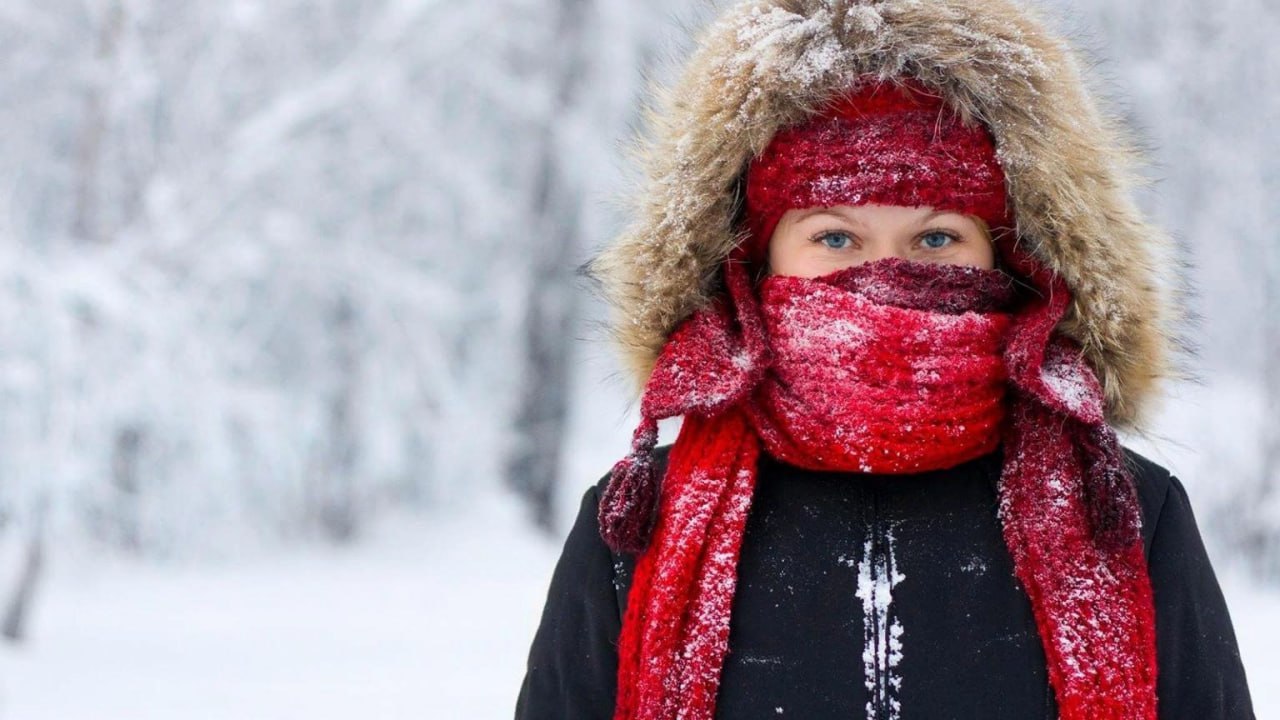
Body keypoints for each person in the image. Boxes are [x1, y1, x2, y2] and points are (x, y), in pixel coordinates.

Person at [515, 0, 1256, 718]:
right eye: (835, 237)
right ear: (754, 262)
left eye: (936, 238)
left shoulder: (1124, 513)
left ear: (1007, 256)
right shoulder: (639, 526)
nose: (884, 273)